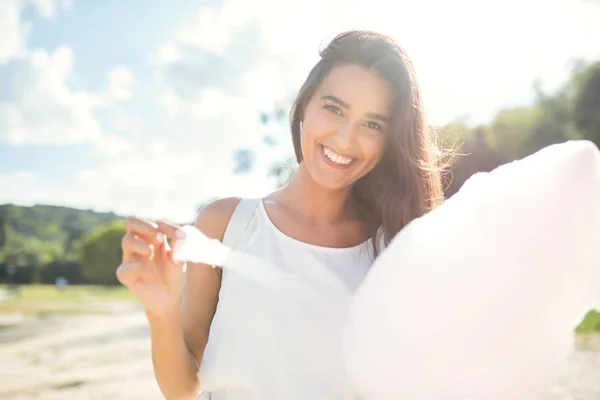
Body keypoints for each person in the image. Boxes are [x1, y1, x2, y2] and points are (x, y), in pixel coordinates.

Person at [118, 30, 446, 400]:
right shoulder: (226, 223)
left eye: (372, 124)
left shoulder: (394, 247)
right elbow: (184, 389)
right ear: (304, 107)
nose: (343, 140)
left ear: (389, 140)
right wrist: (162, 312)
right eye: (334, 109)